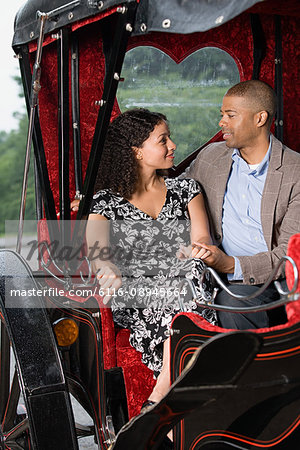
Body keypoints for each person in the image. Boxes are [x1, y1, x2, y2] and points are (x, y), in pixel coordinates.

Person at [86, 108, 216, 407]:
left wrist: (197, 250)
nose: (173, 146)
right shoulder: (105, 201)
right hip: (139, 296)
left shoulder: (186, 189)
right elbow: (97, 252)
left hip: (186, 286)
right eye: (163, 140)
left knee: (189, 272)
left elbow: (202, 239)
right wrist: (107, 269)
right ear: (137, 152)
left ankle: (159, 399)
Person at [183, 79, 300, 329]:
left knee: (233, 305)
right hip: (218, 278)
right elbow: (171, 193)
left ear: (260, 118)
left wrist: (230, 264)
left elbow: (288, 255)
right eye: (222, 114)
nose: (221, 122)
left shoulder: (295, 172)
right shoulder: (210, 158)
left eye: (230, 115)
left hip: (279, 280)